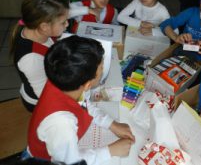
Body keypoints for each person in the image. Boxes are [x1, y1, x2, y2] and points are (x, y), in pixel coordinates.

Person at [27, 35, 135, 165]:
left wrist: (111, 124)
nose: (102, 69)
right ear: (88, 84)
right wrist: (111, 150)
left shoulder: (63, 81)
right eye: (101, 68)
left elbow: (84, 104)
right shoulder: (62, 123)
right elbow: (68, 162)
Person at [10, 0, 69, 112]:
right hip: (39, 102)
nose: (67, 24)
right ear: (44, 27)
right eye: (63, 22)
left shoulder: (37, 30)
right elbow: (44, 95)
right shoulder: (30, 59)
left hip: (49, 80)